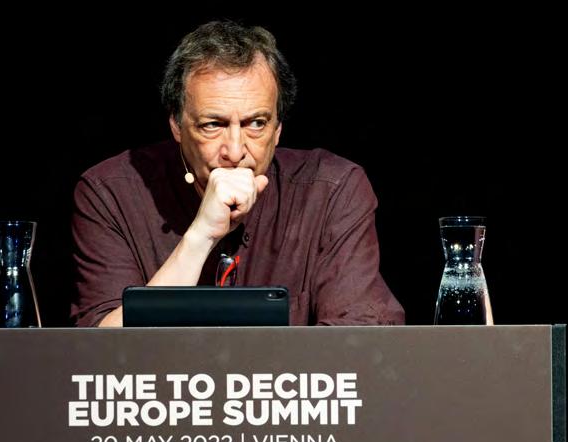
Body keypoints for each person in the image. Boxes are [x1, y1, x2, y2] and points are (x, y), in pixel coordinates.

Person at [71, 20, 404, 327]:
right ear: (177, 125)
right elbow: (101, 355)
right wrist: (200, 236)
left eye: (256, 123)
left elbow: (360, 343)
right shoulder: (110, 193)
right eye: (213, 125)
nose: (234, 150)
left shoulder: (331, 190)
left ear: (277, 129)